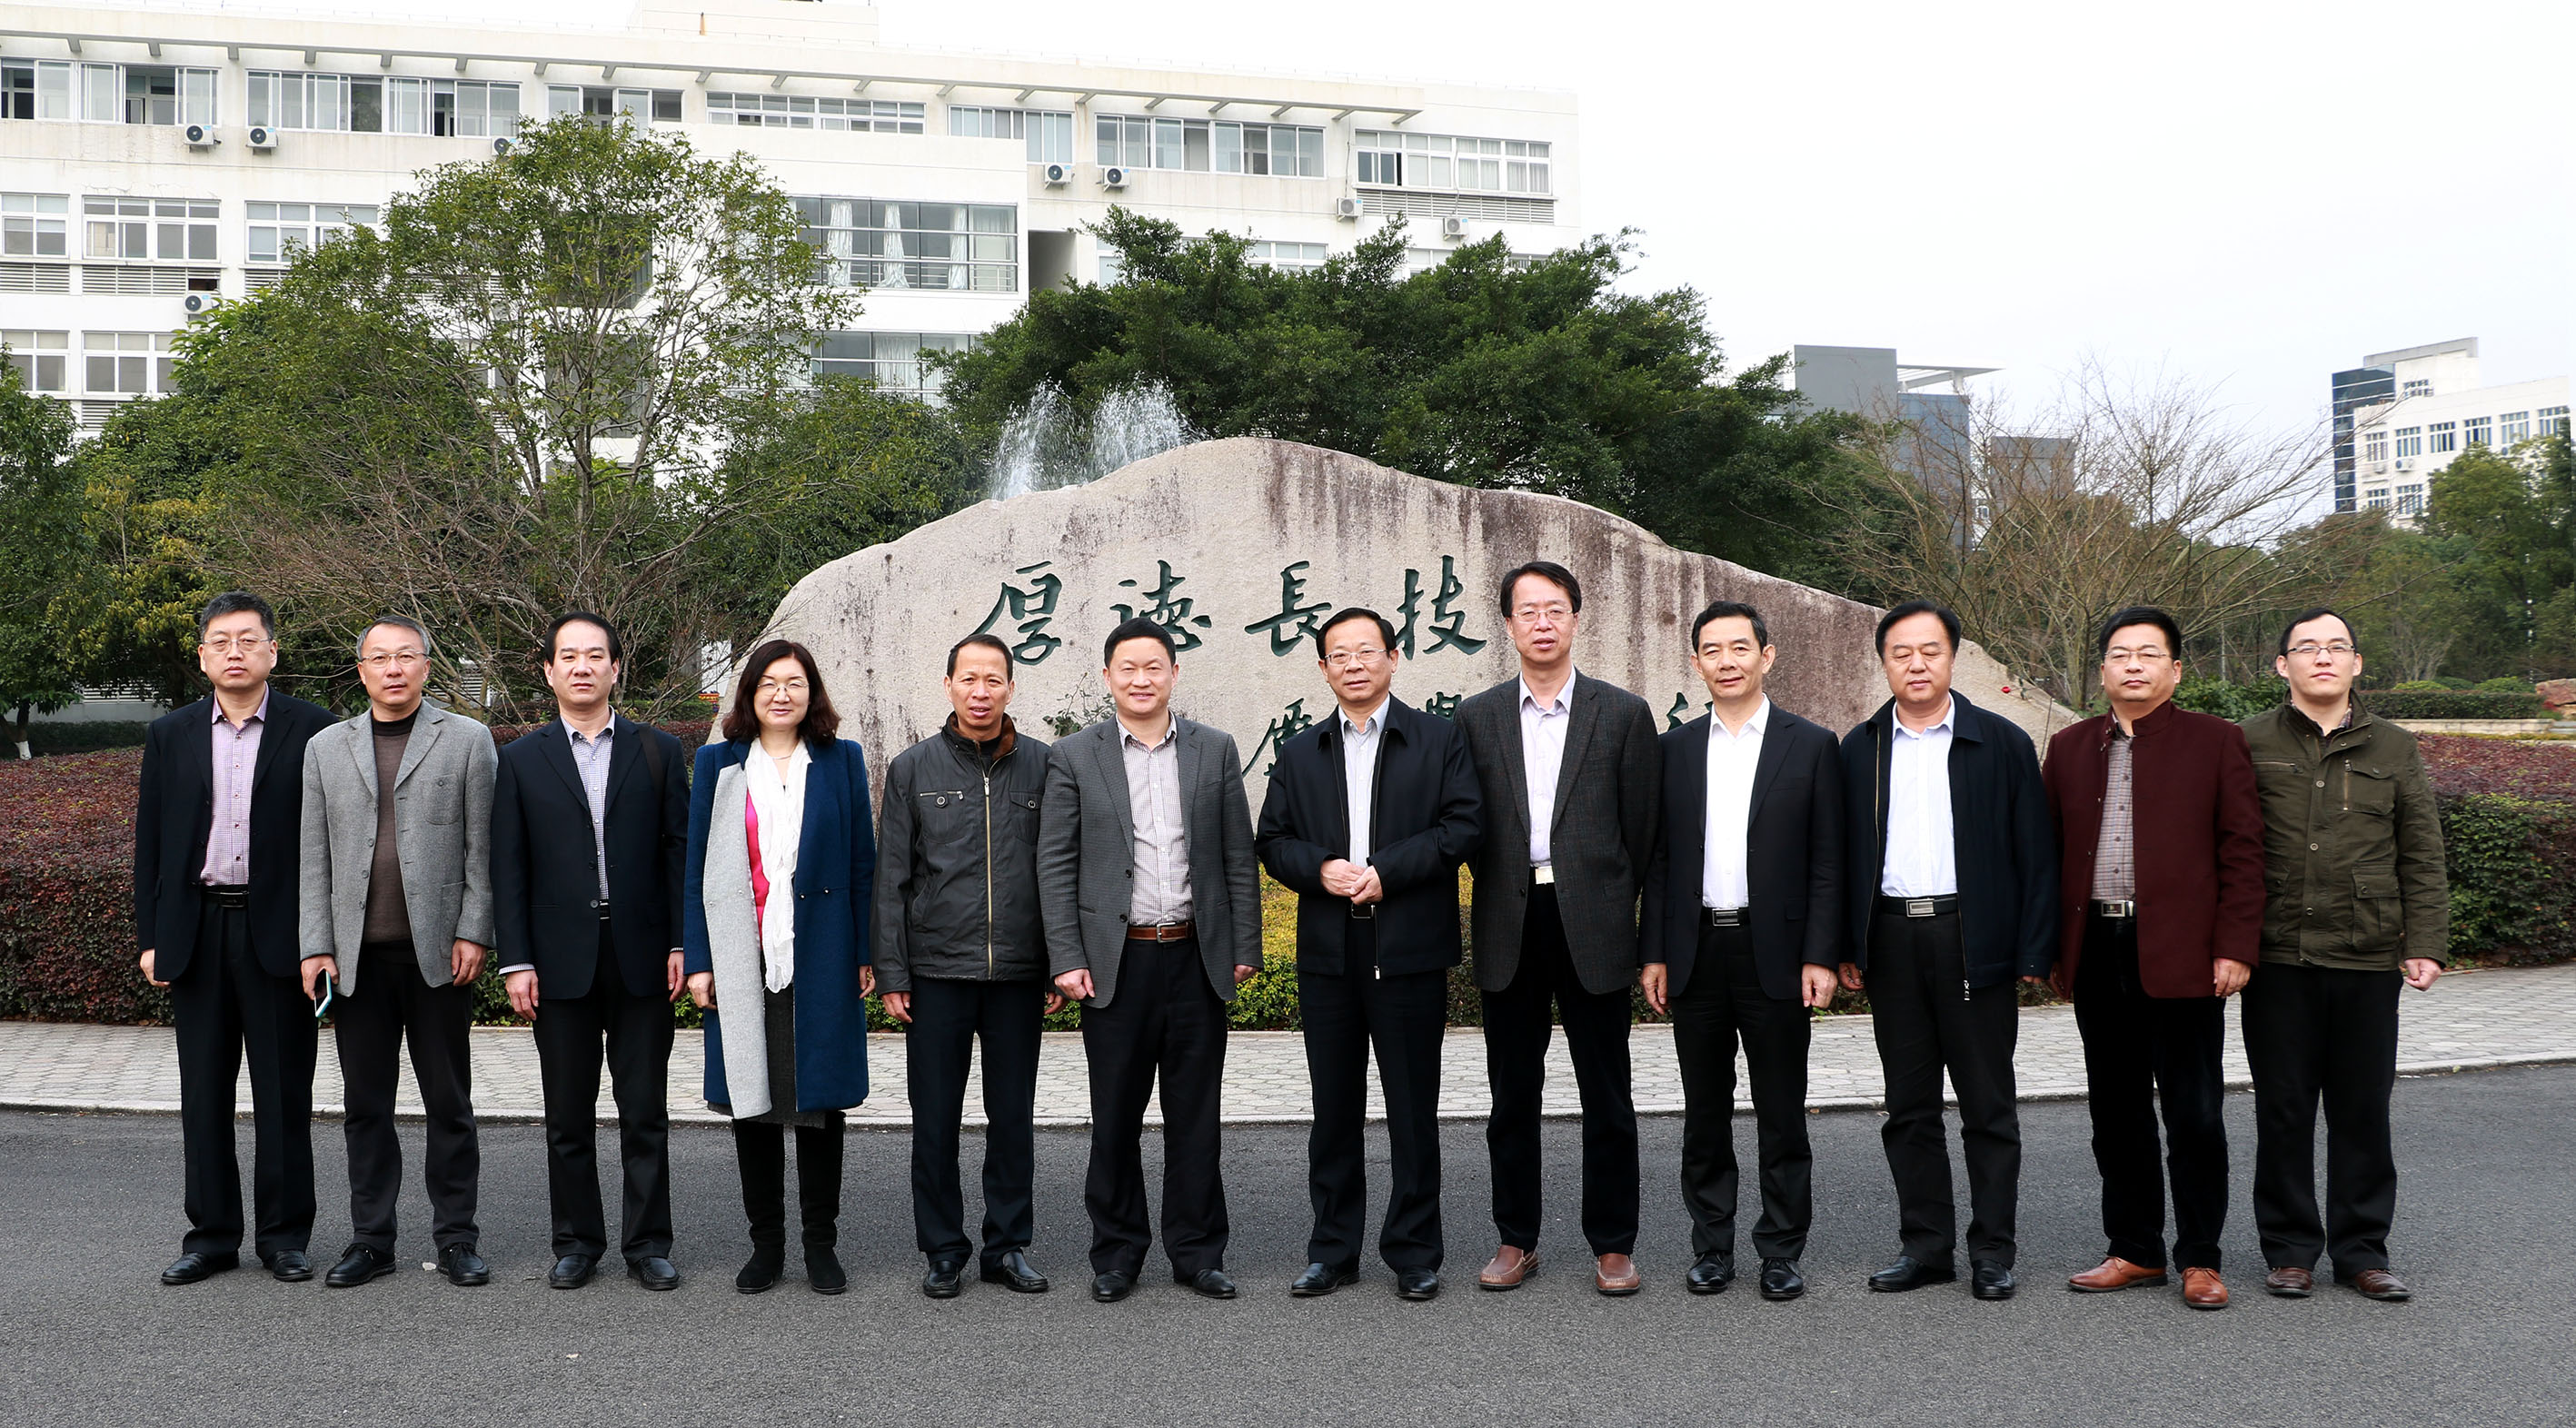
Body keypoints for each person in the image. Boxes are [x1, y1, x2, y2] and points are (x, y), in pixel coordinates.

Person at [1256, 607, 1482, 1302]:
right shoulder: (1300, 750)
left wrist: (1389, 870)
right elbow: (1272, 840)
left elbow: (1464, 825)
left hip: (1408, 949)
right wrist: (1320, 868)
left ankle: (1413, 1252)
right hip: (1329, 951)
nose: (1352, 664)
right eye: (1338, 655)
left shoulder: (1438, 738)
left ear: (1392, 657)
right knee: (1333, 1110)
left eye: (1365, 651)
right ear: (1323, 668)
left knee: (1411, 1109)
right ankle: (1332, 1251)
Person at [2044, 606, 2265, 1311]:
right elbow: (2050, 854)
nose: (2132, 665)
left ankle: (2200, 1258)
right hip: (2096, 948)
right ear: (2102, 670)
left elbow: (2242, 851)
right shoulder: (2069, 747)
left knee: (2194, 1113)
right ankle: (2134, 1249)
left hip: (2183, 953)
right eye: (2119, 654)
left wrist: (2234, 945)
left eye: (2147, 654)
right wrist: (2051, 950)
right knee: (2115, 1113)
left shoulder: (2215, 741)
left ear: (2175, 669)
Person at [1837, 600, 2055, 1302]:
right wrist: (1845, 944)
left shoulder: (2001, 743)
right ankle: (1925, 1248)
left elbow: (2035, 855)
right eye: (1900, 652)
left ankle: (1992, 1251)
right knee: (1908, 1108)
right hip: (1892, 940)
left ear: (1952, 656)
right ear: (1883, 662)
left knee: (1987, 1108)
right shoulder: (1859, 749)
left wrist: (2032, 951)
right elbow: (1839, 858)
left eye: (1929, 650)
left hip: (1973, 938)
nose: (1916, 664)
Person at [1039, 617, 1261, 1304]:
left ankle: (1198, 1253)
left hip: (1195, 956)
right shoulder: (1074, 755)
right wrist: (1065, 955)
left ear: (1173, 673)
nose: (1141, 679)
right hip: (1118, 962)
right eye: (1128, 668)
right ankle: (1116, 1254)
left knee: (1196, 1118)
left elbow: (1237, 854)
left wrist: (1244, 946)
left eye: (1153, 667)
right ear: (1107, 676)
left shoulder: (1213, 749)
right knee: (1115, 1118)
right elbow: (1055, 864)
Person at [1453, 560, 1660, 1296]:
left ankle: (1613, 1244)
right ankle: (1516, 1239)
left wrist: (1636, 926)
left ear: (1575, 618)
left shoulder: (1622, 713)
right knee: (1512, 1097)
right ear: (1507, 625)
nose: (1541, 623)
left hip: (1594, 924)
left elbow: (1643, 835)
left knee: (1607, 1094)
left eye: (1554, 609)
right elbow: (1464, 826)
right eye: (1527, 611)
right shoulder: (1475, 718)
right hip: (1508, 921)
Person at [2238, 608, 2449, 1303]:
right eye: (2307, 647)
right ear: (2282, 665)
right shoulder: (2248, 741)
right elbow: (2226, 848)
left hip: (2365, 954)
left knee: (2362, 1111)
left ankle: (2361, 1252)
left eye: (2336, 647)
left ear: (2356, 663)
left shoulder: (2393, 747)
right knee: (2283, 1109)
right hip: (2276, 955)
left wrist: (2424, 942)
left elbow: (2420, 851)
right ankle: (2289, 1250)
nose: (2322, 657)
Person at [1640, 600, 1844, 1302]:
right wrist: (1655, 952)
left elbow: (1827, 861)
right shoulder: (1673, 750)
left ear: (1766, 656)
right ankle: (1711, 1247)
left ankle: (1780, 1251)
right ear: (1695, 663)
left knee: (1781, 1111)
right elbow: (1660, 860)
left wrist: (1819, 954)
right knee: (1704, 1112)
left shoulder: (1809, 744)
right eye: (1711, 650)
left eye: (1738, 648)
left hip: (1777, 953)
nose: (1725, 661)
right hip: (1695, 949)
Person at [135, 591, 336, 1286]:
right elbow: (151, 842)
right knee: (203, 1093)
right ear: (202, 657)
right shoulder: (171, 734)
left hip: (279, 932)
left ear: (272, 652)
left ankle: (284, 1237)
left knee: (283, 1092)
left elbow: (331, 842)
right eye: (220, 642)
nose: (234, 652)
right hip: (195, 930)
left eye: (248, 640)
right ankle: (212, 1237)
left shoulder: (315, 730)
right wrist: (151, 936)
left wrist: (321, 938)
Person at [490, 613, 691, 1293]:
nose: (583, 667)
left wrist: (681, 942)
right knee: (567, 1115)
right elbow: (508, 866)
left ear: (615, 668)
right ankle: (576, 1242)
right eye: (569, 656)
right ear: (548, 671)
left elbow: (677, 853)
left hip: (643, 954)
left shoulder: (658, 750)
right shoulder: (520, 758)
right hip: (558, 959)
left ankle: (648, 1244)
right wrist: (516, 960)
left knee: (644, 1112)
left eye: (595, 655)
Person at [297, 615, 498, 1289]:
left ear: (426, 667)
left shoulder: (466, 739)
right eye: (379, 658)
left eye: (405, 656)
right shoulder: (326, 747)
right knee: (366, 1108)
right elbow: (313, 857)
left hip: (438, 955)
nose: (392, 668)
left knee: (449, 1103)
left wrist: (474, 929)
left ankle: (457, 1238)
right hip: (357, 960)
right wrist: (316, 946)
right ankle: (371, 1240)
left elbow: (483, 848)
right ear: (361, 671)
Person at [873, 633, 1064, 1300]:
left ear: (1011, 686)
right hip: (936, 972)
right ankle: (943, 1249)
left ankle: (1007, 1247)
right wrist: (893, 972)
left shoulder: (1044, 765)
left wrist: (1057, 962)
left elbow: (1058, 871)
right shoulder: (912, 768)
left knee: (1012, 1118)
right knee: (935, 1120)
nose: (980, 692)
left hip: (1018, 973)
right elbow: (891, 878)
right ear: (949, 684)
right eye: (968, 679)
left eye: (993, 680)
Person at [683, 639, 876, 1295]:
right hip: (742, 950)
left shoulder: (841, 760)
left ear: (811, 692)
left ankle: (821, 1244)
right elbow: (696, 870)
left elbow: (861, 862)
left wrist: (864, 953)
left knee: (819, 1100)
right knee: (752, 1098)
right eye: (768, 682)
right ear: (750, 693)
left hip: (821, 949)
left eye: (794, 682)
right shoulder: (719, 762)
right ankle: (765, 1245)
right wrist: (701, 961)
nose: (781, 694)